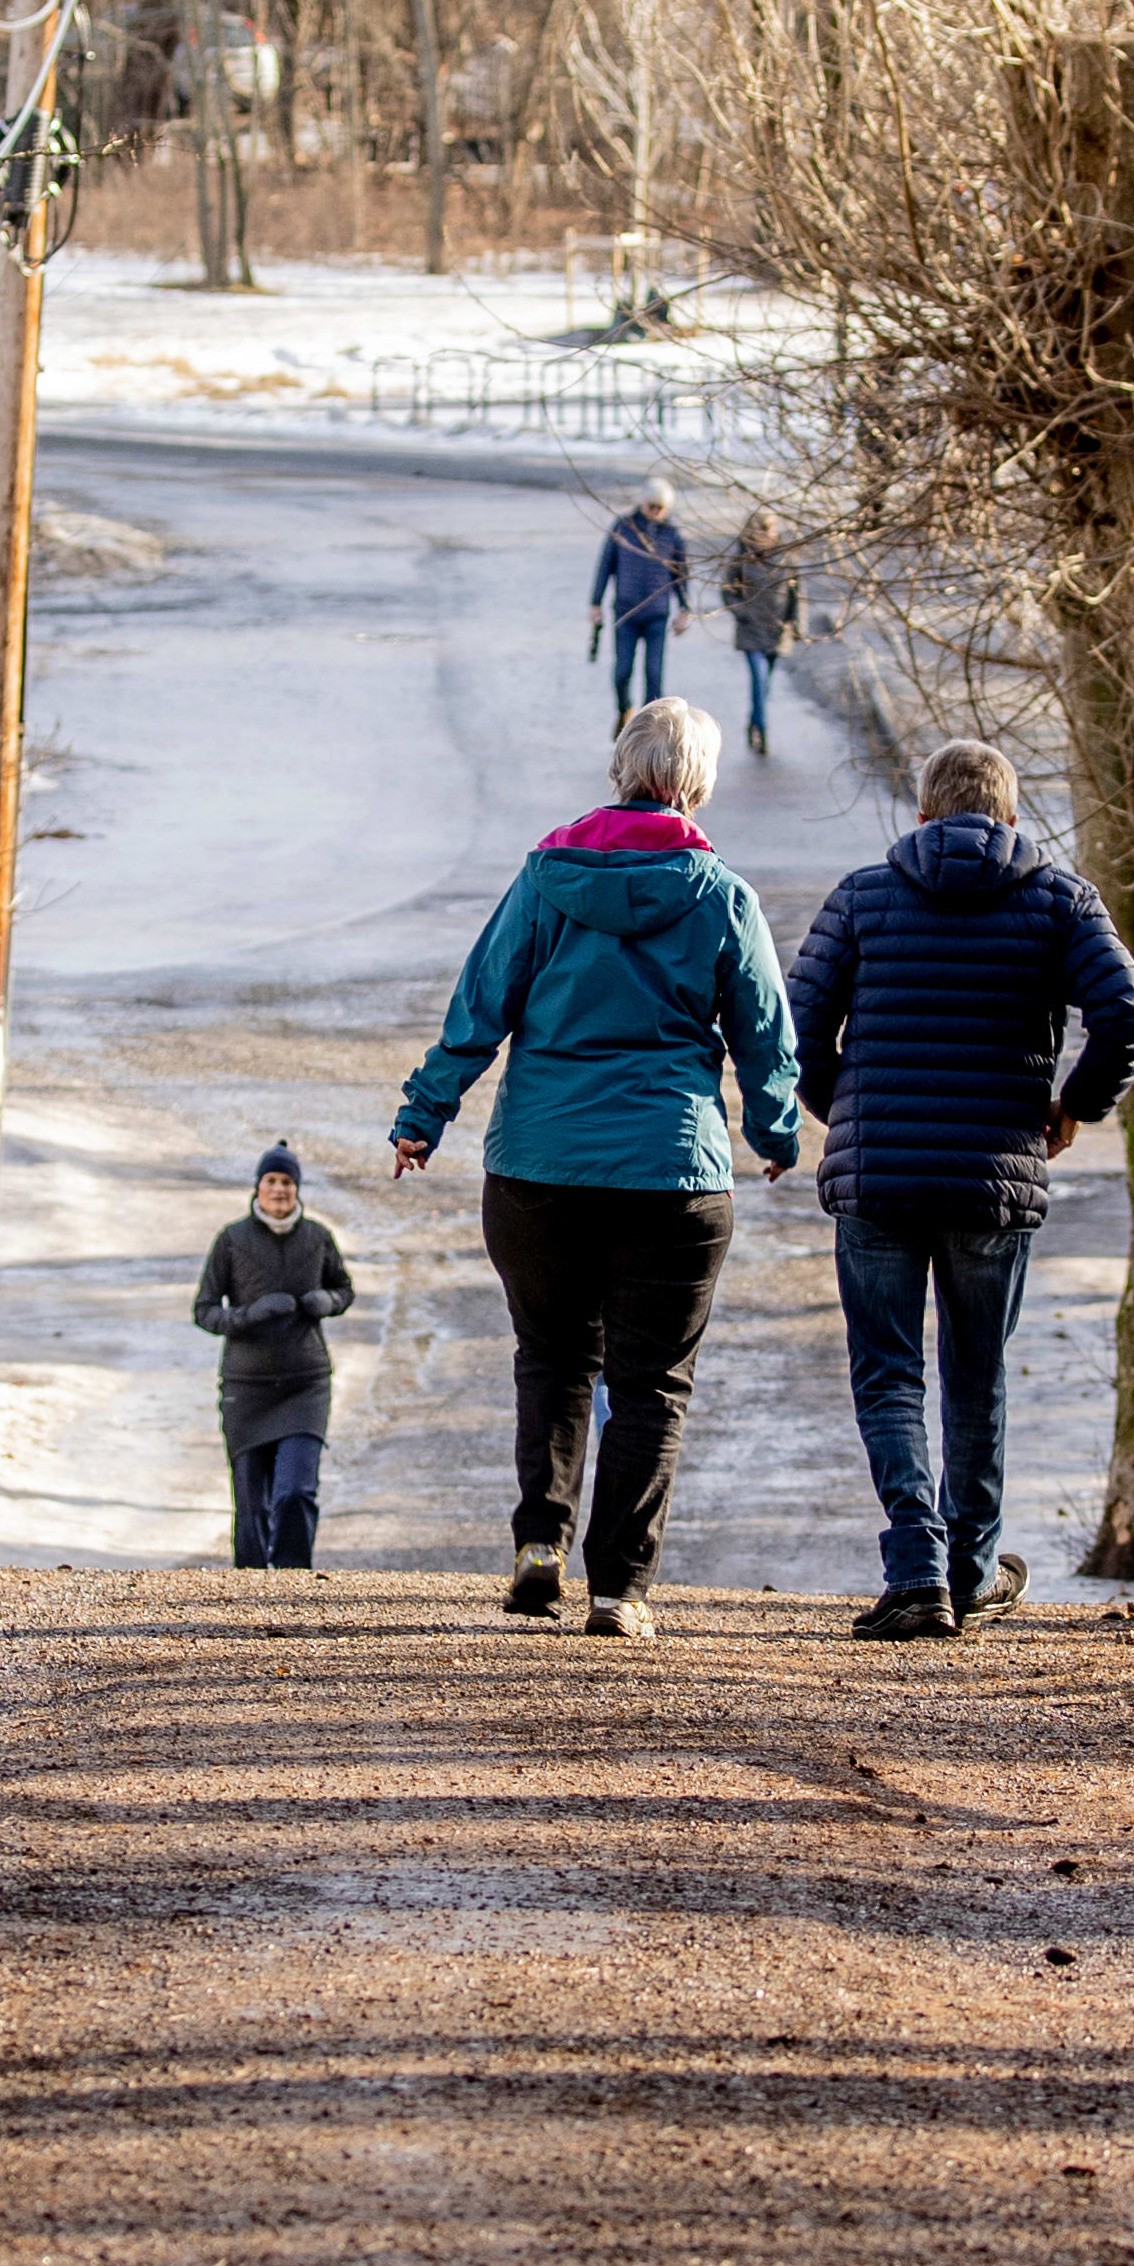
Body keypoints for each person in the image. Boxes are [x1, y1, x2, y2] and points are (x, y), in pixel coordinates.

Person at [390, 698, 801, 1638]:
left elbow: (478, 1005)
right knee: (651, 1382)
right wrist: (775, 1135)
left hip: (539, 1167)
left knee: (552, 1358)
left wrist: (423, 1116)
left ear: (620, 771)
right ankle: (620, 1587)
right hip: (671, 1173)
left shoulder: (544, 880)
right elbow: (764, 1036)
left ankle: (540, 1544)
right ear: (694, 785)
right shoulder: (722, 896)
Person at [783, 740, 1134, 1639]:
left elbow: (791, 1027)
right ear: (1012, 819)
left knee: (889, 1375)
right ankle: (970, 1568)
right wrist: (1071, 1109)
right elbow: (1128, 1014)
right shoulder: (1059, 902)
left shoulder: (862, 898)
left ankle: (915, 1567)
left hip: (878, 1181)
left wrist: (851, 1111)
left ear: (919, 816)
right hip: (994, 1177)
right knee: (976, 1377)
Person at [192, 1144, 355, 1570]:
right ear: (258, 1187)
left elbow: (344, 1289)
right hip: (247, 1389)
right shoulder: (232, 1240)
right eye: (272, 1181)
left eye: (287, 1182)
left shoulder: (318, 1237)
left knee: (296, 1491)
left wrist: (327, 1301)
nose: (279, 1190)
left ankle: (292, 1582)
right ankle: (247, 1593)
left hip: (306, 1384)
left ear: (297, 1188)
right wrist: (250, 1315)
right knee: (252, 1507)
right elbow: (204, 1311)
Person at [588, 479, 690, 731]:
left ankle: (646, 731)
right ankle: (624, 709)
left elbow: (681, 575)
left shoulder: (672, 535)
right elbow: (605, 566)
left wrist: (684, 610)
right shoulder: (623, 528)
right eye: (652, 505)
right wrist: (595, 602)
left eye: (661, 508)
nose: (656, 512)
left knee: (654, 677)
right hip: (626, 614)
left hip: (657, 616)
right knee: (622, 672)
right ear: (643, 502)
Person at [719, 510, 803, 756]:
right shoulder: (742, 559)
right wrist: (741, 612)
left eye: (771, 528)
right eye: (762, 528)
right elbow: (727, 590)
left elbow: (797, 595)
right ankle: (762, 731)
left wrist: (796, 625)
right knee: (759, 679)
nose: (767, 533)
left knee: (765, 685)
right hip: (751, 631)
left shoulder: (787, 558)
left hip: (777, 632)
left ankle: (754, 720)